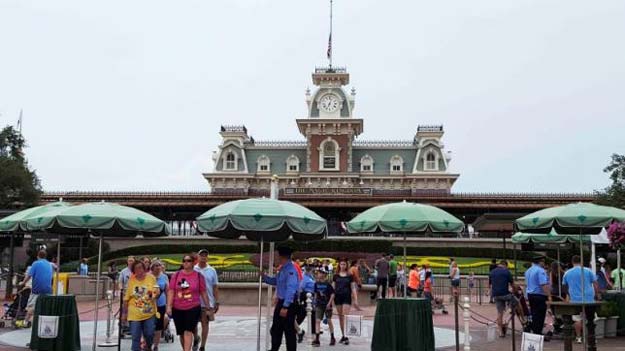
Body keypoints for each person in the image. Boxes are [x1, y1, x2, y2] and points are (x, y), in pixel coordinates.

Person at [166, 254, 210, 351]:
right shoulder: (176, 275)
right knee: (181, 333)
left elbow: (203, 292)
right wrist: (169, 306)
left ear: (193, 262)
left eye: (189, 260)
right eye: (184, 260)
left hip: (193, 307)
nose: (186, 262)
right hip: (177, 307)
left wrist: (208, 307)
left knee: (188, 331)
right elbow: (171, 291)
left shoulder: (198, 276)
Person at [262, 246, 301, 351]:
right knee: (276, 329)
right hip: (282, 302)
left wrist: (285, 306)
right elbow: (276, 281)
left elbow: (291, 288)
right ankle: (274, 348)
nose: (278, 259)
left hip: (288, 304)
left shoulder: (291, 270)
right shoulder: (283, 269)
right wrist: (264, 277)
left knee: (288, 330)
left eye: (279, 257)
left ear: (283, 257)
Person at [562, 255, 600, 345]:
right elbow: (595, 283)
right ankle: (591, 337)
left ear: (572, 262)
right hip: (588, 298)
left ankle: (578, 337)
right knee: (590, 318)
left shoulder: (567, 273)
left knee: (577, 319)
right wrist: (597, 294)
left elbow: (564, 286)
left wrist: (568, 294)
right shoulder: (588, 271)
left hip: (575, 299)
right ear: (581, 261)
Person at [122, 260, 159, 351]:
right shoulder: (131, 280)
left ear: (144, 268)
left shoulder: (151, 278)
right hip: (134, 314)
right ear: (133, 270)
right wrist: (124, 314)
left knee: (149, 333)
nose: (139, 270)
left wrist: (151, 296)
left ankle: (147, 347)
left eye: (141, 267)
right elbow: (126, 299)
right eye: (136, 268)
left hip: (148, 312)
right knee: (135, 337)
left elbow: (157, 291)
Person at [193, 249, 220, 351]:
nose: (203, 257)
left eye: (205, 255)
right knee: (193, 324)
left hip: (207, 302)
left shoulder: (212, 270)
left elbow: (215, 287)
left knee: (205, 323)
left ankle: (202, 346)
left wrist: (216, 301)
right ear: (198, 257)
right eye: (201, 255)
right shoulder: (193, 269)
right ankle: (196, 338)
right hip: (194, 301)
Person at [21, 250, 53, 326]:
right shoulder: (49, 264)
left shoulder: (35, 263)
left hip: (37, 289)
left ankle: (25, 322)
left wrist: (23, 283)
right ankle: (44, 322)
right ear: (45, 256)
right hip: (48, 289)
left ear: (38, 256)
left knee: (31, 306)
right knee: (44, 305)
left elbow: (29, 276)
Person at [524, 255, 551, 336]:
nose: (544, 263)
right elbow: (543, 284)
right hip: (539, 295)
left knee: (534, 313)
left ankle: (534, 330)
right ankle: (538, 332)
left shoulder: (528, 270)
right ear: (540, 262)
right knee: (540, 314)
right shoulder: (540, 271)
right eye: (543, 262)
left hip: (530, 294)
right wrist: (549, 296)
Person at [489, 260, 516, 337]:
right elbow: (512, 284)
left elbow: (490, 284)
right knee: (517, 303)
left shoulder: (492, 272)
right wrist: (515, 291)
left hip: (496, 295)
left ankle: (500, 332)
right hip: (505, 294)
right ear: (505, 265)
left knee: (499, 313)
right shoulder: (506, 271)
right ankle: (523, 321)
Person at [332, 258, 356, 345]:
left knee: (345, 316)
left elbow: (353, 287)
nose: (342, 266)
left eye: (344, 264)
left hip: (346, 296)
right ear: (339, 265)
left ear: (346, 265)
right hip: (338, 297)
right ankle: (343, 335)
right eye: (341, 264)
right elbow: (333, 288)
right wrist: (330, 299)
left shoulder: (350, 275)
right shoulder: (336, 276)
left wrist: (355, 299)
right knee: (340, 317)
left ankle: (346, 336)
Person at [312, 268, 335, 347]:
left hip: (327, 304)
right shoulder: (316, 283)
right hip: (319, 304)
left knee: (328, 320)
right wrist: (314, 302)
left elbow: (332, 294)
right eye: (318, 273)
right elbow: (315, 293)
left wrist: (329, 303)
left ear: (324, 274)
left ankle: (332, 337)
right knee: (317, 320)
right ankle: (317, 339)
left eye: (321, 273)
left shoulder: (328, 284)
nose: (319, 274)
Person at [151, 260, 169, 351]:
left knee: (158, 325)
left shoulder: (164, 277)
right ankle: (147, 342)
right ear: (152, 267)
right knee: (149, 324)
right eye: (156, 265)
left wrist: (168, 305)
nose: (158, 267)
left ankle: (156, 346)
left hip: (161, 304)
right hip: (149, 305)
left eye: (159, 265)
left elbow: (167, 291)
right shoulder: (148, 276)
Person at [296, 264, 316, 343]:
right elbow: (301, 288)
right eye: (308, 270)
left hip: (311, 299)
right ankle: (295, 329)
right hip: (306, 298)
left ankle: (313, 331)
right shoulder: (304, 278)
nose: (310, 271)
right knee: (302, 314)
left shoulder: (311, 278)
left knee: (312, 315)